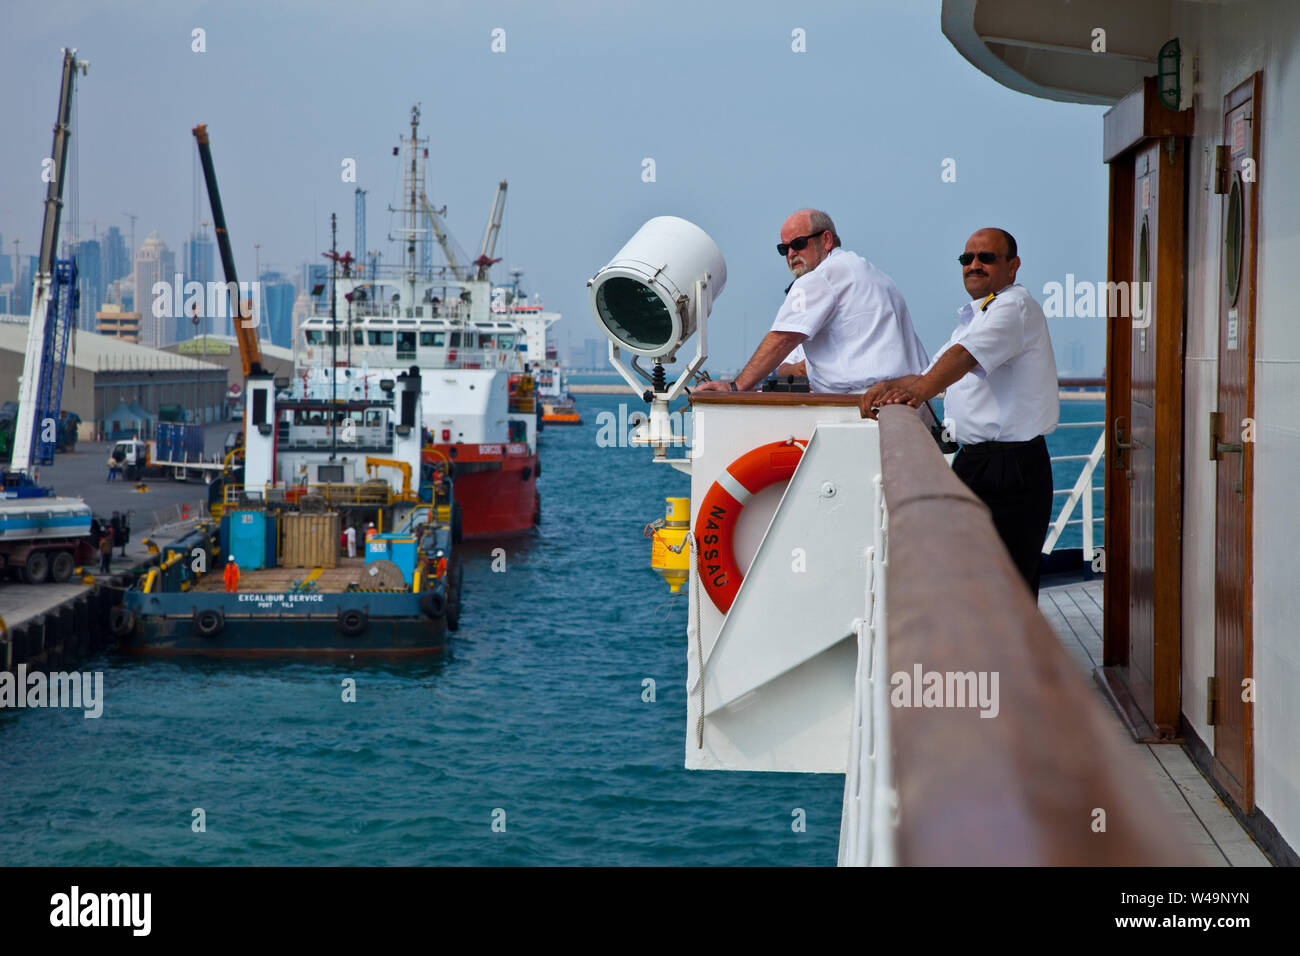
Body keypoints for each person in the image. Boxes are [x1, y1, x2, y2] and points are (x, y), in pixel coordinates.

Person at [859, 227, 1059, 596]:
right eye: (967, 259)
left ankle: (1008, 655)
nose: (974, 265)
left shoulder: (1015, 306)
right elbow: (934, 371)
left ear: (1013, 267)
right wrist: (892, 386)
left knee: (1006, 586)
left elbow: (962, 359)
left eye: (987, 258)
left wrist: (917, 392)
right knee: (966, 576)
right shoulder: (978, 315)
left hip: (1012, 468)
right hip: (977, 463)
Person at [696, 209, 929, 393]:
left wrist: (735, 386)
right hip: (911, 402)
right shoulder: (872, 273)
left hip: (870, 403)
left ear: (826, 239)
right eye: (783, 249)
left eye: (798, 244)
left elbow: (783, 338)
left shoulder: (821, 276)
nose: (790, 254)